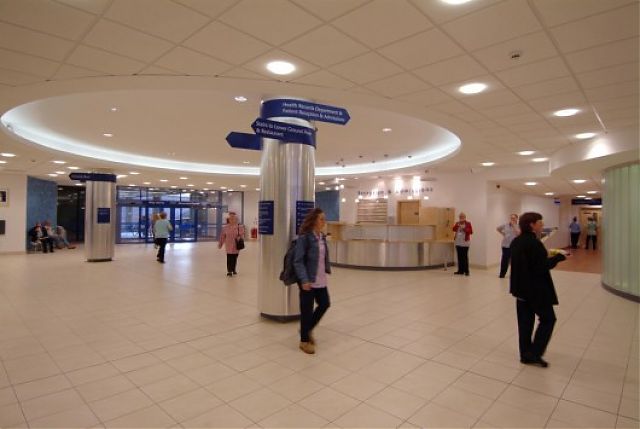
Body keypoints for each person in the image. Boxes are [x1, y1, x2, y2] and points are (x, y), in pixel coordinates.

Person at [510, 212, 567, 368]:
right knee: (548, 319)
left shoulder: (516, 242)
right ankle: (534, 353)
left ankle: (525, 355)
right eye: (540, 223)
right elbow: (541, 267)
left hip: (520, 290)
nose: (542, 225)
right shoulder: (535, 243)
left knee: (525, 323)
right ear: (532, 225)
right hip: (535, 290)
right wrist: (558, 258)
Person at [293, 208, 331, 354]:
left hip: (320, 279)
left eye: (324, 219)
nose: (324, 221)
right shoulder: (305, 237)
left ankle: (307, 329)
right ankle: (304, 341)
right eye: (321, 219)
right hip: (308, 281)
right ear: (314, 220)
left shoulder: (321, 236)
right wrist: (304, 279)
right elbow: (298, 261)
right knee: (306, 311)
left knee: (325, 304)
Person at [218, 212, 245, 276]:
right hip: (228, 245)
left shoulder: (239, 227)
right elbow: (222, 236)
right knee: (229, 257)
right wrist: (220, 244)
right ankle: (229, 271)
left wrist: (240, 237)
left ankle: (233, 269)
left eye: (233, 218)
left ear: (236, 219)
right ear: (228, 219)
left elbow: (242, 235)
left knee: (235, 257)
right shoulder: (225, 228)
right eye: (230, 218)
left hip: (236, 245)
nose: (232, 220)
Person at [497, 214, 520, 278]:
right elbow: (498, 228)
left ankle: (515, 274)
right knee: (504, 260)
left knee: (514, 260)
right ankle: (502, 274)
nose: (512, 219)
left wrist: (514, 226)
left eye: (514, 218)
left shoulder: (518, 226)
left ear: (516, 219)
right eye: (511, 218)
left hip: (514, 246)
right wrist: (503, 233)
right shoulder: (506, 225)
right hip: (505, 245)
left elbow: (518, 234)